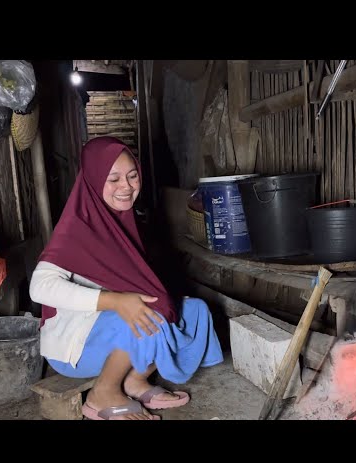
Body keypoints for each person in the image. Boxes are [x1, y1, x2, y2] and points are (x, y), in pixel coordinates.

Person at [29, 136, 224, 420]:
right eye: (114, 179)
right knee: (146, 315)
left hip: (109, 333)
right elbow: (39, 287)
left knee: (194, 311)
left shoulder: (123, 222)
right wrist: (115, 302)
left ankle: (133, 380)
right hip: (75, 346)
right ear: (94, 181)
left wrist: (139, 302)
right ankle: (102, 393)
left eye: (133, 177)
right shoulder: (76, 227)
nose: (127, 187)